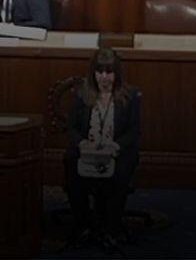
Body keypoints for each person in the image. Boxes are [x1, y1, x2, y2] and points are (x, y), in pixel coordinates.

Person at [64, 47, 141, 251]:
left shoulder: (130, 95)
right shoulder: (82, 94)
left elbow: (134, 131)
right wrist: (82, 143)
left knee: (121, 170)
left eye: (109, 72)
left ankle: (111, 229)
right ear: (93, 73)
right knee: (71, 162)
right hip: (88, 148)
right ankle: (83, 226)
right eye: (100, 72)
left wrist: (115, 146)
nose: (104, 77)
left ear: (117, 74)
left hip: (115, 150)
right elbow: (71, 127)